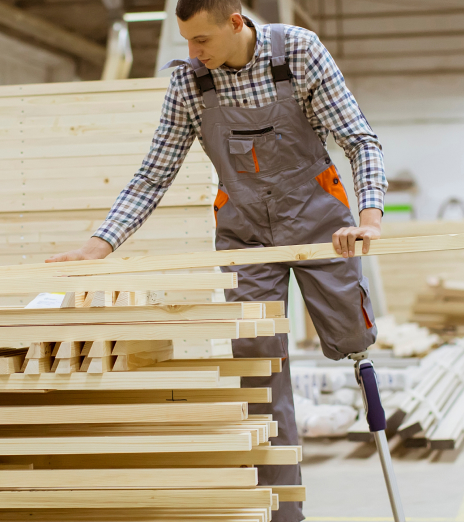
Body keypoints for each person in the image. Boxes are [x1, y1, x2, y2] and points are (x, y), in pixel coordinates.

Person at [47, 2, 387, 520]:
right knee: (257, 367)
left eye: (201, 40)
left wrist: (369, 221)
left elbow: (359, 140)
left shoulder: (297, 51)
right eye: (186, 41)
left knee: (351, 340)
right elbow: (153, 174)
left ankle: (368, 392)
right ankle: (283, 513)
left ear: (236, 23)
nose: (192, 52)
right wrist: (98, 246)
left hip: (322, 226)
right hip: (246, 235)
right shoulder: (191, 83)